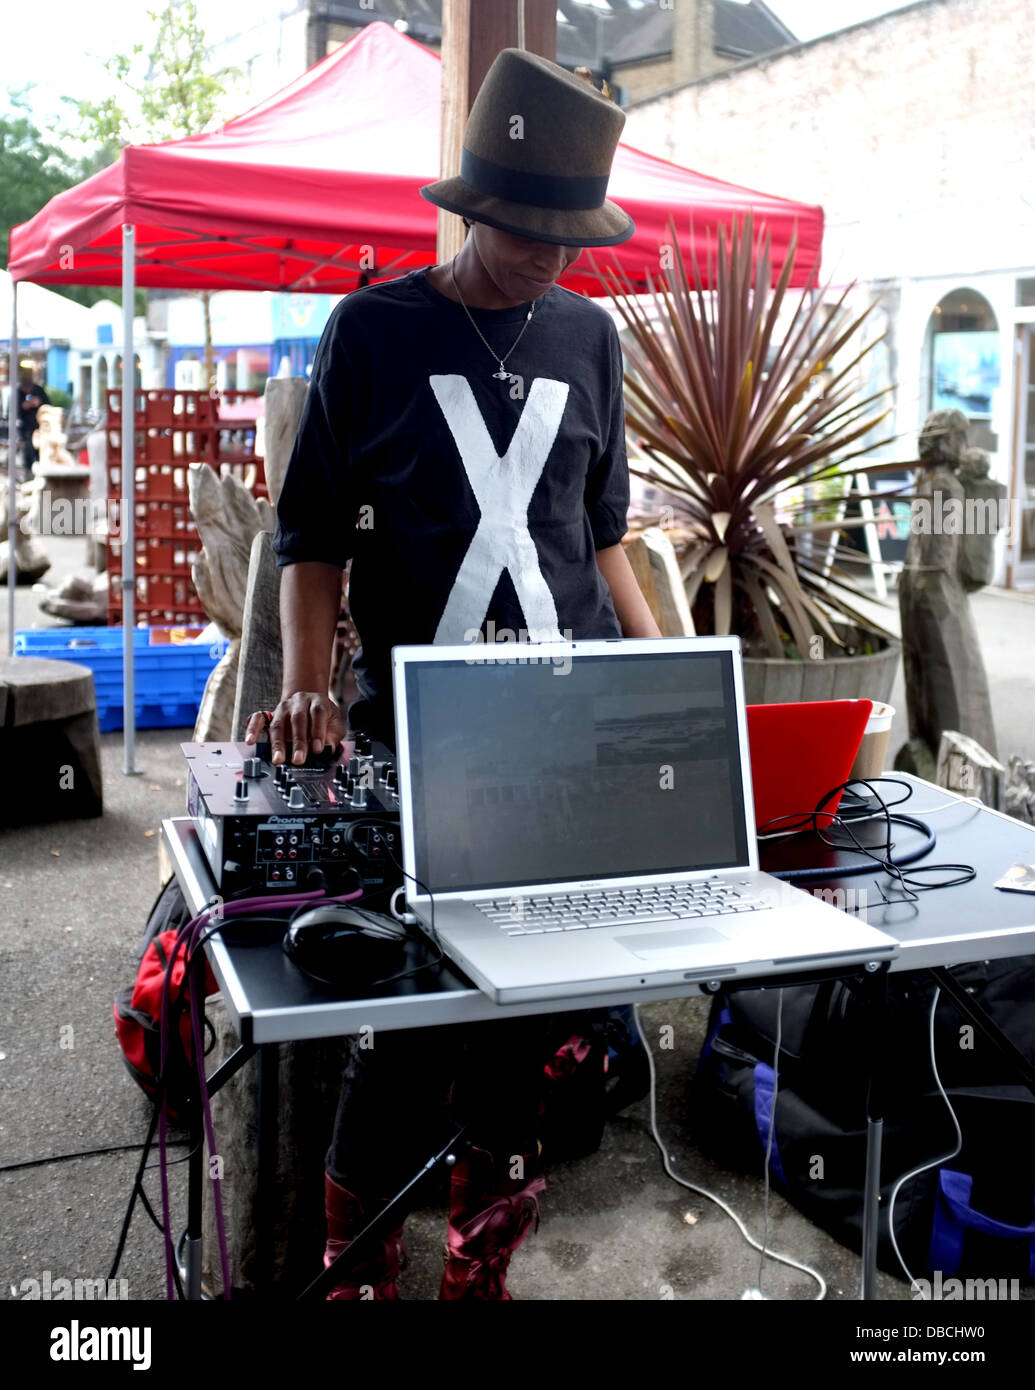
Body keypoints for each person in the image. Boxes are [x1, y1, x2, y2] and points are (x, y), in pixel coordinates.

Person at [245, 48, 660, 1300]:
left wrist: (660, 675)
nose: (550, 253)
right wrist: (310, 682)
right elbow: (310, 536)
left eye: (569, 233)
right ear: (469, 208)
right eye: (526, 228)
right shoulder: (374, 328)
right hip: (421, 736)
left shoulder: (591, 336)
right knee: (410, 1012)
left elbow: (602, 535)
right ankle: (356, 1266)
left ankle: (480, 1264)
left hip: (567, 728)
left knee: (534, 1023)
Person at [17, 363, 49, 471]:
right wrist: (24, 405)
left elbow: (48, 405)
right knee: (28, 453)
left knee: (40, 453)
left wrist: (38, 403)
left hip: (39, 429)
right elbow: (14, 410)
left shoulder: (38, 390)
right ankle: (29, 472)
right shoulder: (18, 392)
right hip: (24, 430)